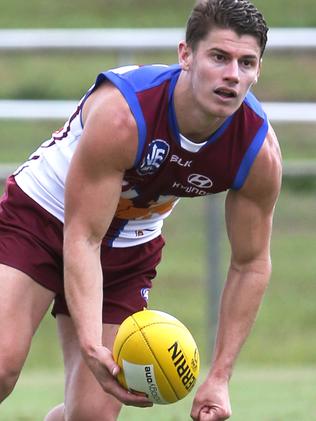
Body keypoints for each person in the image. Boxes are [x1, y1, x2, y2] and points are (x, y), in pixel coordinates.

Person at [0, 0, 282, 419]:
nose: (231, 75)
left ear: (259, 70)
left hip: (128, 248)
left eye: (246, 63)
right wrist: (90, 341)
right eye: (219, 57)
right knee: (2, 365)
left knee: (91, 416)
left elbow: (251, 263)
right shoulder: (125, 115)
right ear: (185, 55)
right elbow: (84, 235)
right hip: (41, 219)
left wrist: (219, 377)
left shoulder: (257, 152)